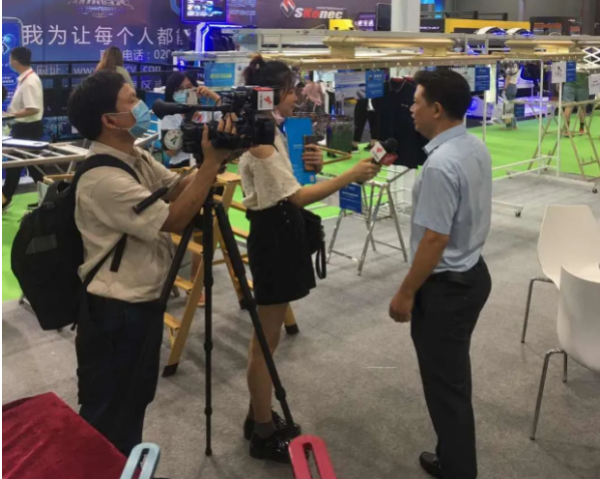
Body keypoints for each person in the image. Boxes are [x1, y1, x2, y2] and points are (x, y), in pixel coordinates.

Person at [67, 70, 233, 456]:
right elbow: (173, 219)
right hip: (114, 311)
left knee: (135, 398)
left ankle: (124, 464)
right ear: (110, 120)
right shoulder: (103, 178)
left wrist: (218, 155)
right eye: (131, 100)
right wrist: (210, 165)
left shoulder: (134, 155)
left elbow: (175, 186)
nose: (142, 105)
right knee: (108, 409)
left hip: (140, 301)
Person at [239, 55, 381, 463]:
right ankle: (263, 432)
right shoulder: (262, 142)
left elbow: (292, 185)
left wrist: (311, 166)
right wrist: (349, 175)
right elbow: (295, 198)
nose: (297, 95)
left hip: (280, 234)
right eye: (290, 89)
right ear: (271, 95)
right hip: (274, 239)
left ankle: (258, 414)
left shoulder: (272, 130)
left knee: (269, 338)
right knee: (265, 342)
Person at [388, 69, 493, 479]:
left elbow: (434, 239)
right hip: (472, 274)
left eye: (416, 102)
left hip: (447, 289)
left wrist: (405, 293)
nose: (410, 109)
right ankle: (451, 456)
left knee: (446, 389)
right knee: (452, 378)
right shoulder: (473, 146)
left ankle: (459, 469)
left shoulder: (440, 165)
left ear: (435, 108)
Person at [2, 47, 44, 212]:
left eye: (10, 58)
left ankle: (5, 199)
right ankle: (47, 199)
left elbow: (32, 108)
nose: (9, 62)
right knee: (29, 167)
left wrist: (10, 115)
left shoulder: (30, 81)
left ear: (15, 61)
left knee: (28, 166)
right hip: (24, 128)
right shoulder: (26, 79)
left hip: (27, 129)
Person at [160, 71, 221, 168]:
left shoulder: (207, 111)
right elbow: (170, 152)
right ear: (172, 93)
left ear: (196, 88)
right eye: (179, 89)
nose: (184, 91)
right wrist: (188, 123)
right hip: (181, 165)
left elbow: (231, 116)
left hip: (207, 162)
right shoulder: (169, 117)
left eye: (188, 87)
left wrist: (213, 96)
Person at [503, 62, 521, 130]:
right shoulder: (517, 67)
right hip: (514, 87)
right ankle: (510, 124)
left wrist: (505, 89)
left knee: (509, 107)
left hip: (510, 87)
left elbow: (507, 79)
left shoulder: (510, 67)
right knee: (510, 106)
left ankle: (513, 124)